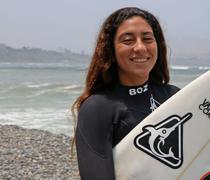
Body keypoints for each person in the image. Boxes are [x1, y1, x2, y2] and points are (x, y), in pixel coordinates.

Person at [72, 7, 179, 179]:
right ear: (111, 51)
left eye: (147, 39)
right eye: (128, 40)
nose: (140, 47)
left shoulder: (174, 97)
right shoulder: (97, 108)